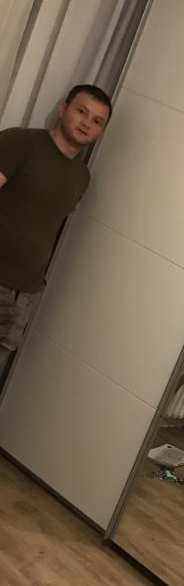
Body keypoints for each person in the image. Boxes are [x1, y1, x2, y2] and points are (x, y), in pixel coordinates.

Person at [0, 83, 112, 380]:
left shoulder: (81, 176)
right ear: (63, 108)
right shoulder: (21, 142)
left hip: (22, 295)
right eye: (81, 111)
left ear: (101, 131)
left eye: (97, 121)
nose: (86, 123)